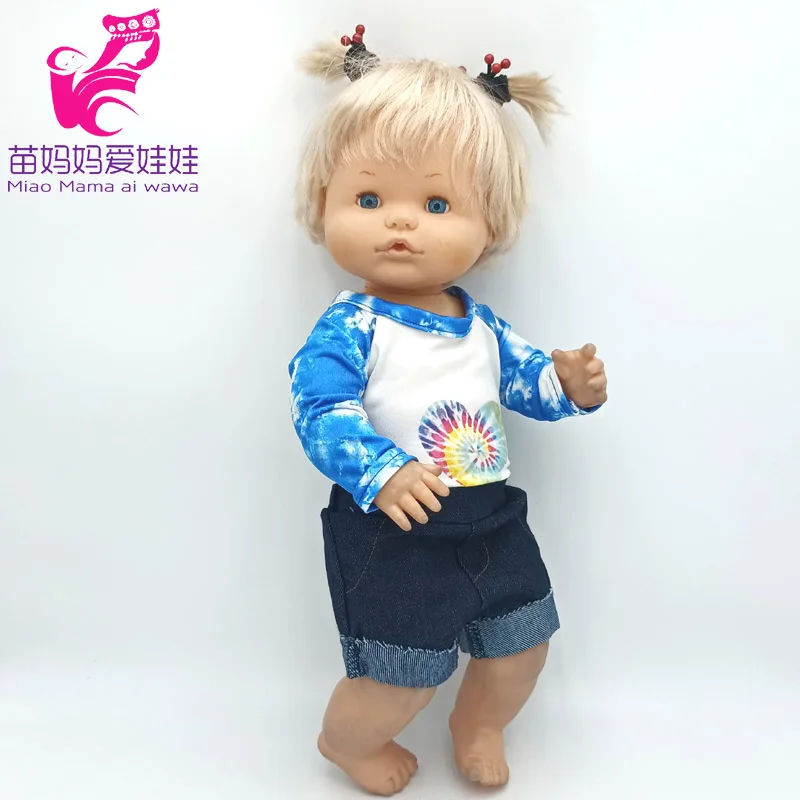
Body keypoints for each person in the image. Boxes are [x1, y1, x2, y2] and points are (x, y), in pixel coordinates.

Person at [289, 24, 607, 795]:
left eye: (436, 203)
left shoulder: (483, 326)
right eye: (369, 199)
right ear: (323, 203)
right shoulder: (353, 326)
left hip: (494, 521)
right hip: (394, 529)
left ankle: (481, 723)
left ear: (488, 225)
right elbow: (318, 408)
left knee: (521, 645)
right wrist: (383, 471)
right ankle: (346, 742)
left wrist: (567, 386)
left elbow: (525, 382)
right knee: (399, 676)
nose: (401, 222)